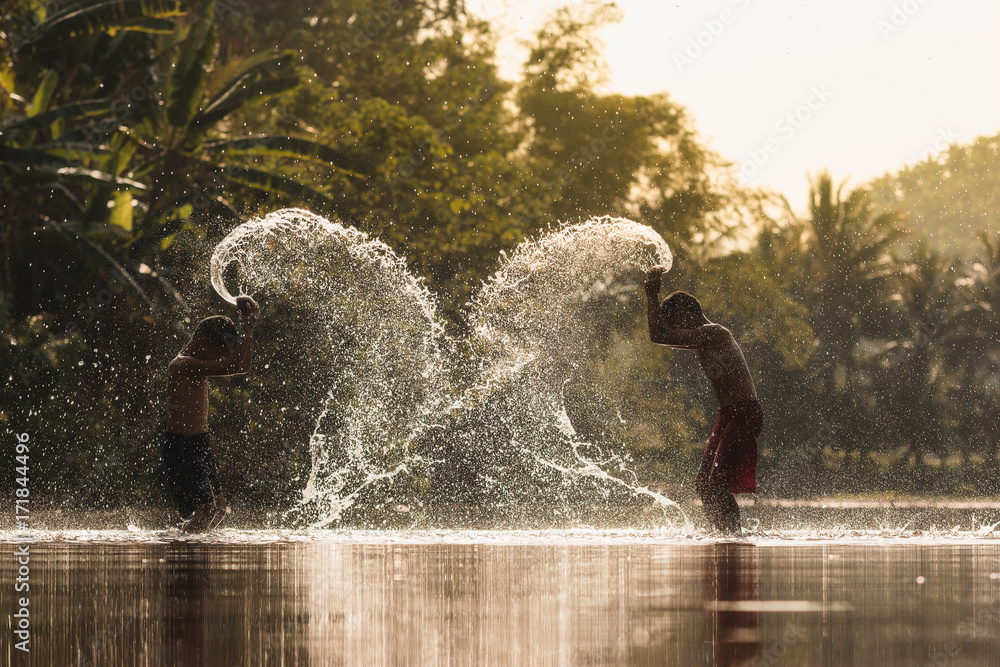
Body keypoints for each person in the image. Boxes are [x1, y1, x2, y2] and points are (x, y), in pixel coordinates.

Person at [644, 266, 762, 535]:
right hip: (728, 414)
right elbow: (659, 336)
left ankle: (734, 536)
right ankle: (721, 533)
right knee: (703, 483)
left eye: (677, 324)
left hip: (744, 412)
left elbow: (659, 335)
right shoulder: (704, 339)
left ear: (687, 316)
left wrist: (651, 294)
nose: (676, 331)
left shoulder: (716, 333)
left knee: (717, 481)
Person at [162, 296, 260, 533]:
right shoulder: (182, 364)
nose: (222, 359)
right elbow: (232, 366)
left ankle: (195, 547)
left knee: (218, 509)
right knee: (206, 509)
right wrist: (246, 327)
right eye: (219, 353)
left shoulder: (198, 360)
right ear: (204, 343)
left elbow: (241, 366)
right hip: (182, 447)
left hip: (199, 443)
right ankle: (181, 549)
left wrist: (250, 329)